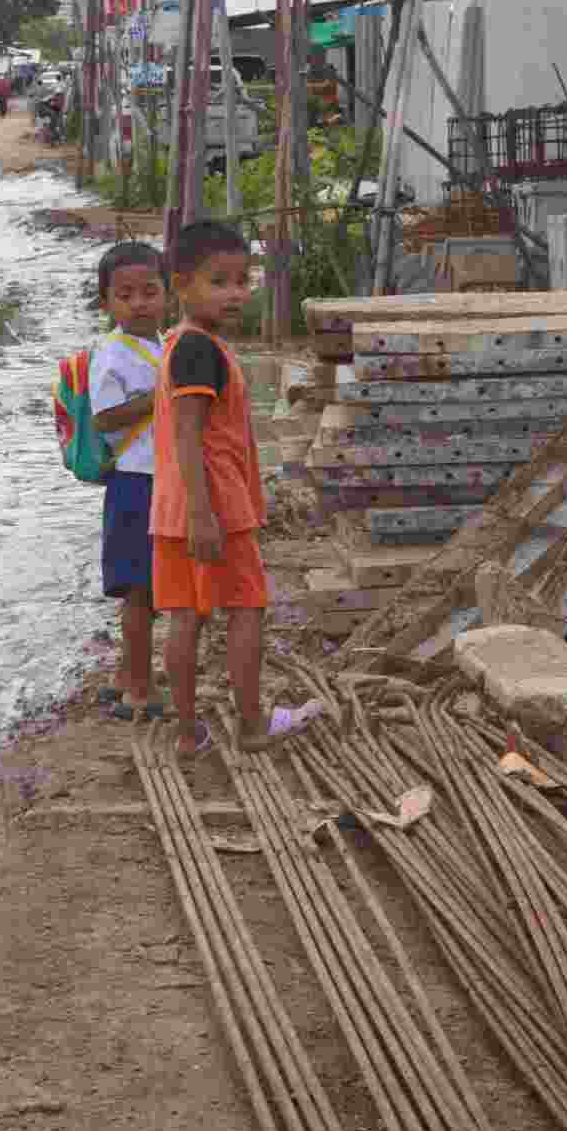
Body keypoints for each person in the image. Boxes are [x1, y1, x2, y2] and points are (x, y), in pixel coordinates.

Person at [151, 220, 323, 761]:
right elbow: (188, 433)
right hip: (215, 509)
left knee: (186, 614)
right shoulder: (200, 351)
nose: (236, 294)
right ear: (182, 285)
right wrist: (207, 515)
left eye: (242, 280)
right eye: (218, 281)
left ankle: (187, 732)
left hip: (174, 509)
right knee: (246, 608)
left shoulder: (180, 345)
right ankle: (252, 725)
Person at [89, 242, 169, 721]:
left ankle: (125, 676)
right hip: (136, 482)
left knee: (147, 587)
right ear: (107, 305)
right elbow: (104, 418)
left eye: (149, 291)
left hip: (158, 478)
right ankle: (140, 689)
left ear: (166, 294)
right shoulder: (113, 353)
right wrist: (162, 395)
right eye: (125, 295)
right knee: (140, 590)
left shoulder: (161, 345)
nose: (139, 302)